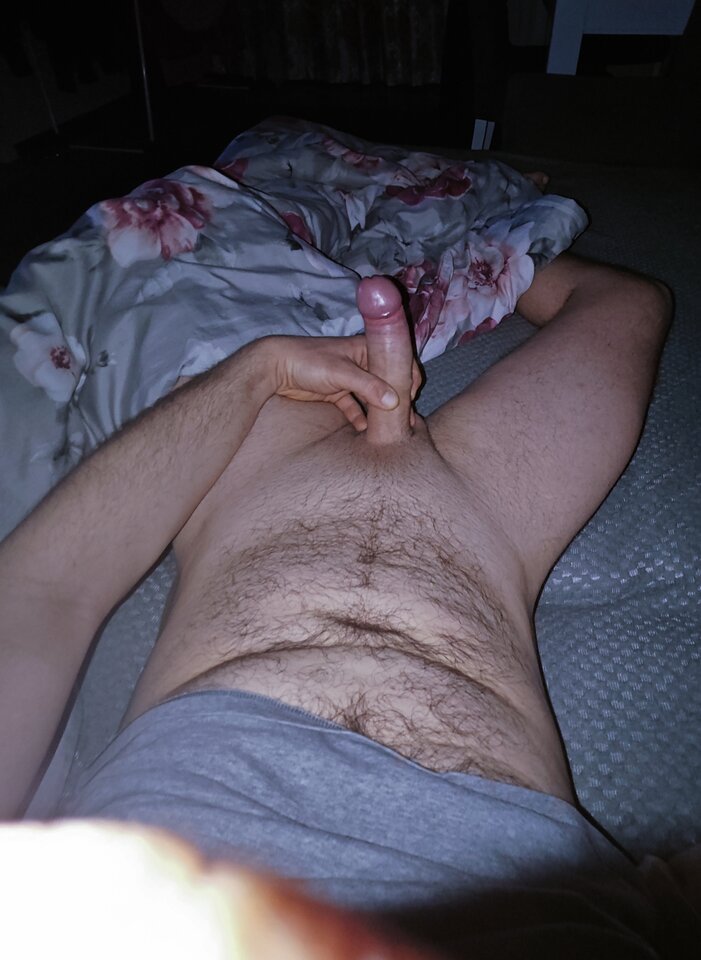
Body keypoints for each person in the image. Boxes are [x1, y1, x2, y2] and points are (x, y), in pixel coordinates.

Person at [0, 252, 682, 954]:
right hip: (484, 530)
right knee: (629, 305)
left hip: (256, 492)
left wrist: (258, 371)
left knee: (183, 274)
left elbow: (40, 596)